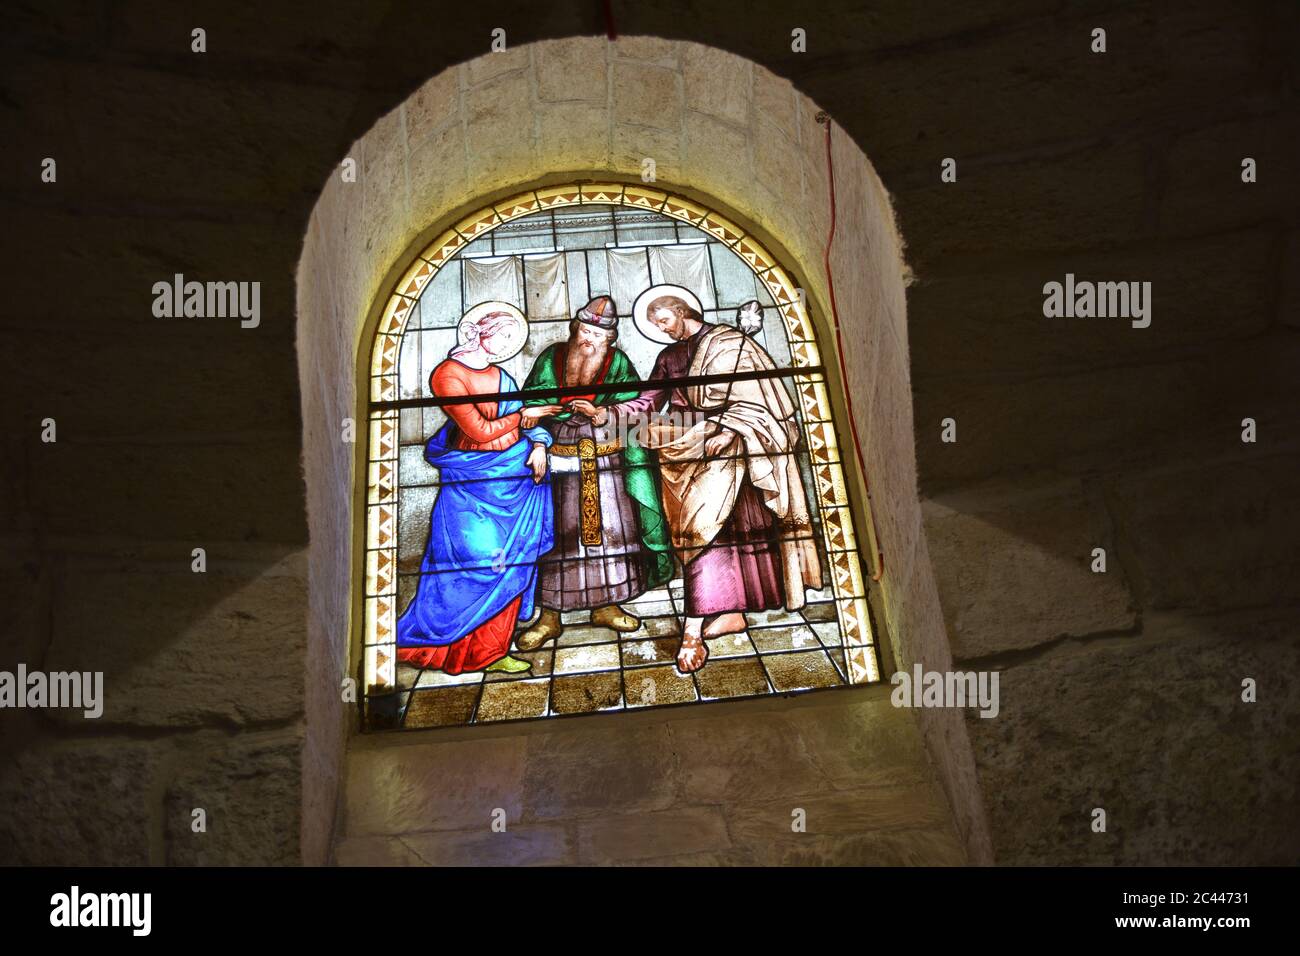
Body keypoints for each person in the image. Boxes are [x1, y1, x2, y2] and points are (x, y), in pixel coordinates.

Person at [571, 285, 822, 674]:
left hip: (735, 449)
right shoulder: (669, 356)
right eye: (655, 325)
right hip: (688, 449)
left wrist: (730, 426)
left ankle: (700, 627)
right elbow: (649, 401)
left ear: (681, 309)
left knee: (734, 535)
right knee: (696, 534)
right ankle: (724, 613)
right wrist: (607, 414)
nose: (664, 329)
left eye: (665, 320)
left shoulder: (731, 343)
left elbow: (761, 398)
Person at [395, 302, 562, 675]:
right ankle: (449, 647)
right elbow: (480, 431)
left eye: (512, 340)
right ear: (481, 331)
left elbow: (525, 426)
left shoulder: (501, 375)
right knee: (479, 559)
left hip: (518, 480)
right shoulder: (448, 375)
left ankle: (493, 651)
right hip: (473, 484)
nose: (506, 346)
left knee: (514, 562)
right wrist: (526, 416)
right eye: (503, 336)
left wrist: (539, 445)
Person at [515, 296, 673, 650]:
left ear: (611, 340)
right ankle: (549, 617)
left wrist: (601, 410)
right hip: (558, 470)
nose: (589, 340)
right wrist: (547, 414)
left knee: (612, 534)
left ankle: (607, 605)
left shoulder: (618, 363)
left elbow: (637, 405)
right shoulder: (551, 359)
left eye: (598, 335)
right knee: (558, 539)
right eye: (585, 331)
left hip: (608, 467)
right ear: (575, 330)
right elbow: (529, 400)